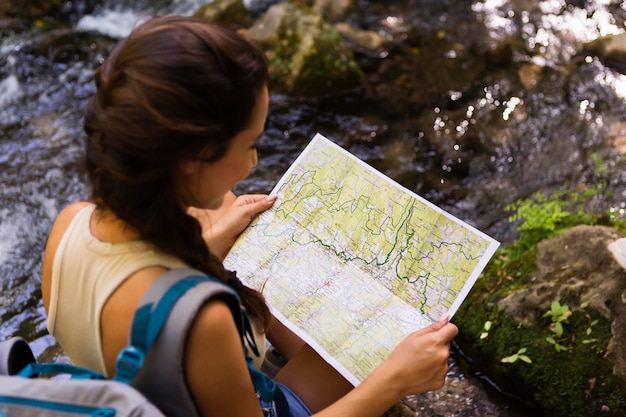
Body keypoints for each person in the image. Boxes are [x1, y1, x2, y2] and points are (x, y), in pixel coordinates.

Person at [41, 15, 458, 417]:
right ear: (194, 158)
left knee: (226, 209)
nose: (256, 161)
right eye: (250, 144)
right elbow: (174, 320)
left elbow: (131, 296)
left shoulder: (70, 223)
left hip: (135, 394)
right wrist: (393, 381)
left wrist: (206, 250)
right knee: (377, 343)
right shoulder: (203, 319)